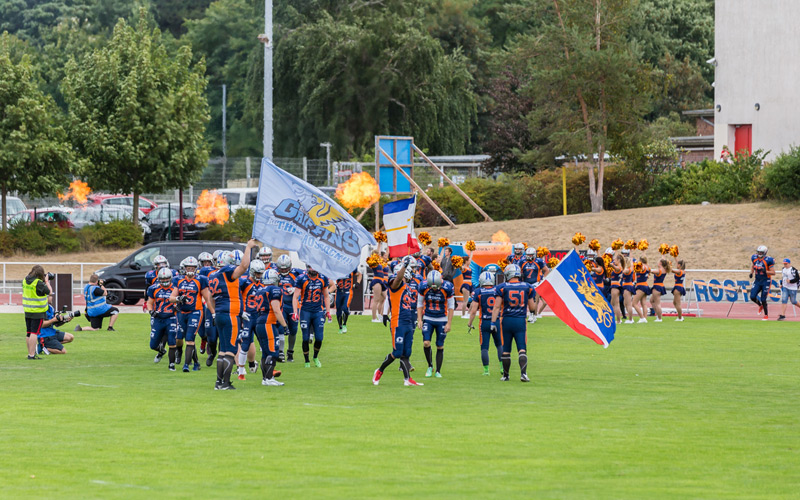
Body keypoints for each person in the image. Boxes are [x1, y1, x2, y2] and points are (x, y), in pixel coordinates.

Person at [209, 240, 256, 390]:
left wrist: (215, 312)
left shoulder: (213, 275)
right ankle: (225, 383)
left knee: (222, 350)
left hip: (221, 313)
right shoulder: (227, 272)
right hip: (230, 314)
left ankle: (218, 382)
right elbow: (244, 266)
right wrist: (248, 247)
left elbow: (210, 297)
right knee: (231, 350)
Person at [372, 257, 423, 386]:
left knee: (406, 353)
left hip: (408, 322)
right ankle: (379, 371)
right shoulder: (395, 284)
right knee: (397, 352)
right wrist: (404, 266)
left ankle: (407, 379)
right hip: (398, 322)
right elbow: (398, 279)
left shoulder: (408, 287)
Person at [490, 264, 536, 382]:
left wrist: (492, 322)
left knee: (506, 349)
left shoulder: (502, 287)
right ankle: (523, 374)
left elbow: (496, 307)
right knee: (522, 348)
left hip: (506, 320)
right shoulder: (527, 286)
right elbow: (532, 308)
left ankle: (506, 375)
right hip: (520, 320)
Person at [169, 256, 212, 372]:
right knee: (179, 338)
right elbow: (171, 298)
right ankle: (196, 362)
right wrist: (179, 298)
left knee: (190, 339)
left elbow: (207, 298)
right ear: (184, 268)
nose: (190, 270)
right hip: (182, 312)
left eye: (192, 268)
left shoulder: (200, 280)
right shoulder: (179, 280)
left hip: (195, 312)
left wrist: (212, 312)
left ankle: (186, 365)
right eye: (188, 267)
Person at [417, 270, 455, 378]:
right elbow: (419, 303)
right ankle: (430, 366)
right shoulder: (423, 286)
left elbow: (451, 306)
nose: (434, 289)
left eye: (436, 287)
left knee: (440, 345)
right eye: (432, 287)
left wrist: (449, 323)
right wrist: (419, 319)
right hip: (428, 317)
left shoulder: (447, 287)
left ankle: (438, 370)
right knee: (426, 343)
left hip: (441, 318)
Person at [293, 264, 331, 368]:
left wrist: (328, 311)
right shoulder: (302, 278)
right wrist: (295, 312)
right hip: (305, 311)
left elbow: (326, 296)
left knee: (319, 338)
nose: (313, 269)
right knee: (305, 338)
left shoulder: (323, 278)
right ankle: (307, 361)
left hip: (318, 311)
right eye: (311, 267)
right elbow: (295, 296)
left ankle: (315, 357)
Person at [255, 269, 288, 386]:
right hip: (268, 323)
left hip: (260, 322)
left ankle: (265, 379)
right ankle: (269, 379)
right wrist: (284, 325)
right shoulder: (274, 289)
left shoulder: (260, 289)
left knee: (265, 352)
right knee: (273, 352)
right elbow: (276, 309)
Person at [236, 260, 265, 380]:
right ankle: (241, 370)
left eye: (260, 273)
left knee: (265, 343)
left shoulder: (264, 284)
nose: (259, 276)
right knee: (245, 343)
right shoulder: (244, 282)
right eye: (257, 273)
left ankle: (267, 368)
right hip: (247, 317)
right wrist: (241, 312)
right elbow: (237, 297)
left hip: (259, 317)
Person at [468, 271, 501, 376]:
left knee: (484, 347)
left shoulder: (478, 292)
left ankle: (486, 371)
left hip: (484, 321)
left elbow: (473, 311)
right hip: (496, 320)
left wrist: (470, 323)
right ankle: (502, 367)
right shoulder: (497, 290)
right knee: (500, 345)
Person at [147, 268, 177, 369]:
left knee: (172, 341)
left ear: (170, 278)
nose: (164, 281)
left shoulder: (175, 288)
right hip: (158, 318)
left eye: (166, 278)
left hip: (171, 317)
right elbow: (150, 302)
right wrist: (151, 311)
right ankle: (162, 350)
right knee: (153, 345)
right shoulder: (153, 288)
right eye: (162, 279)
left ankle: (171, 364)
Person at [276, 254, 303, 362]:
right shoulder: (275, 273)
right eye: (281, 269)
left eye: (285, 268)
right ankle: (281, 352)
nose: (283, 271)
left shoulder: (297, 273)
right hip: (281, 305)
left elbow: (308, 277)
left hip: (293, 306)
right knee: (280, 328)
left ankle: (290, 352)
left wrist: (295, 289)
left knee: (293, 330)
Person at [22, 265, 52, 359]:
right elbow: (49, 292)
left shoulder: (25, 280)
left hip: (27, 310)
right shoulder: (38, 283)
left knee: (29, 332)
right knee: (34, 333)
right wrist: (46, 281)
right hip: (37, 311)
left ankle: (29, 353)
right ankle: (32, 354)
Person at [197, 252, 216, 359]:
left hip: (210, 299)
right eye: (204, 262)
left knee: (210, 326)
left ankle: (210, 342)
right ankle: (204, 339)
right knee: (201, 327)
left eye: (209, 262)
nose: (207, 264)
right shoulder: (199, 272)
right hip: (201, 300)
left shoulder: (214, 271)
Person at [750, 245, 775, 320]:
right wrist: (751, 273)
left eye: (761, 252)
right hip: (757, 280)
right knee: (752, 296)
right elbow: (753, 266)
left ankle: (766, 315)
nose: (759, 253)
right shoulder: (754, 258)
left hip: (766, 281)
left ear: (765, 252)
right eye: (758, 252)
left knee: (763, 299)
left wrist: (765, 271)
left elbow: (773, 272)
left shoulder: (769, 260)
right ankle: (760, 305)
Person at [335, 269, 361, 334]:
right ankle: (340, 327)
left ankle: (344, 324)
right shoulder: (335, 267)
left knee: (345, 308)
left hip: (348, 291)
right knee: (338, 310)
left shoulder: (351, 267)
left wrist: (357, 282)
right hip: (339, 292)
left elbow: (359, 274)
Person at [521, 248, 540, 323]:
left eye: (530, 254)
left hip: (535, 283)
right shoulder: (522, 261)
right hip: (525, 283)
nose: (529, 256)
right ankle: (524, 314)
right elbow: (519, 271)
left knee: (534, 300)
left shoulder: (539, 261)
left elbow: (546, 270)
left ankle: (532, 315)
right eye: (528, 254)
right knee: (524, 300)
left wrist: (543, 279)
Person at [633, 256, 650, 323]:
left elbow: (642, 268)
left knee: (634, 303)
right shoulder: (648, 267)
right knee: (643, 303)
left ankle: (642, 317)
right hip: (645, 285)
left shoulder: (643, 267)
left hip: (641, 286)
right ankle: (645, 318)